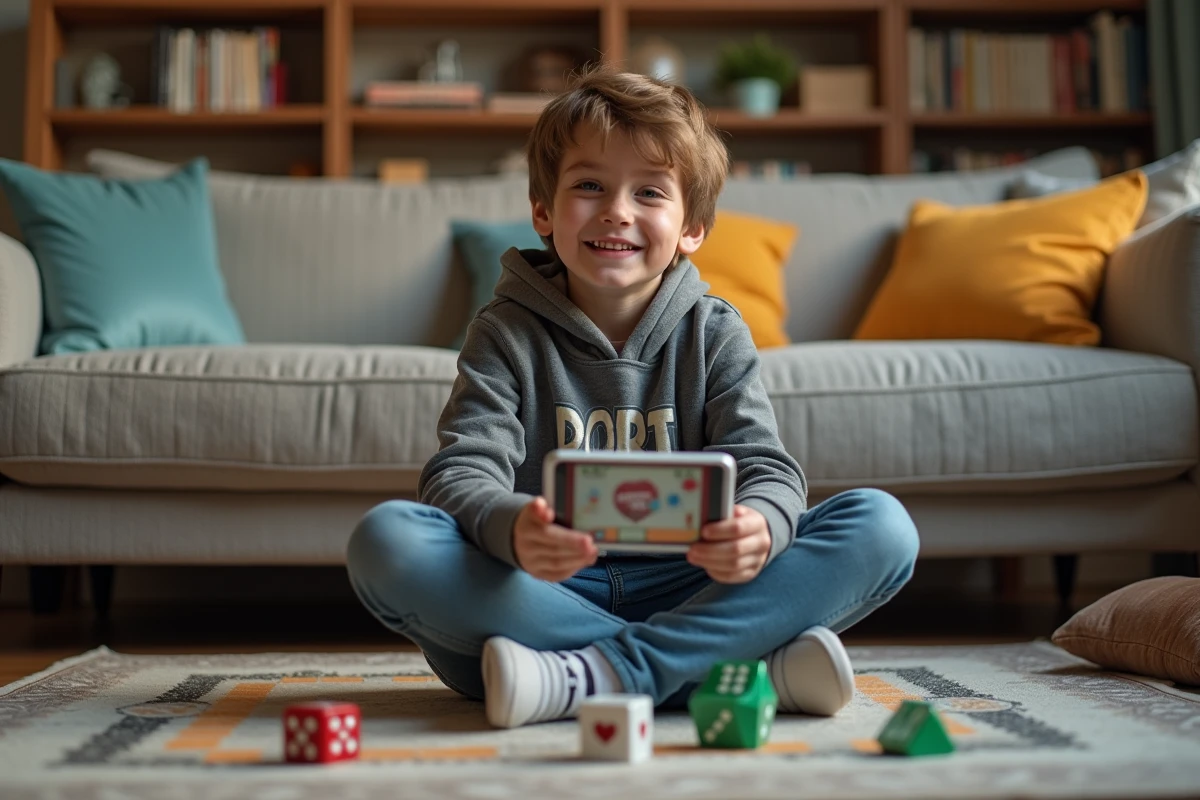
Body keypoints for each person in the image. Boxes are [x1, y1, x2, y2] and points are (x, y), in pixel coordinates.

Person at [345, 65, 919, 729]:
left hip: (694, 587)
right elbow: (459, 473)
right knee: (388, 540)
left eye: (649, 192)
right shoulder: (503, 330)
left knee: (881, 526)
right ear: (543, 211)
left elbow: (767, 467)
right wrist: (513, 529)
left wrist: (759, 525)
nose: (617, 209)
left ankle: (585, 678)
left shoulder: (716, 330)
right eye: (589, 185)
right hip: (539, 596)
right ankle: (741, 671)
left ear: (692, 228)